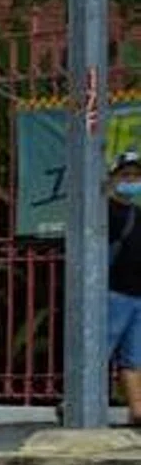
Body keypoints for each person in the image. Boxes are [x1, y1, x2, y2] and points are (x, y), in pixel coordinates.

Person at [107, 151, 141, 424]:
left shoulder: (137, 213)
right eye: (126, 175)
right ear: (113, 179)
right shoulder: (102, 212)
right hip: (112, 293)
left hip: (137, 295)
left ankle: (137, 410)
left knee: (134, 356)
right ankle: (77, 403)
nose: (131, 181)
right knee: (98, 351)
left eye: (136, 176)